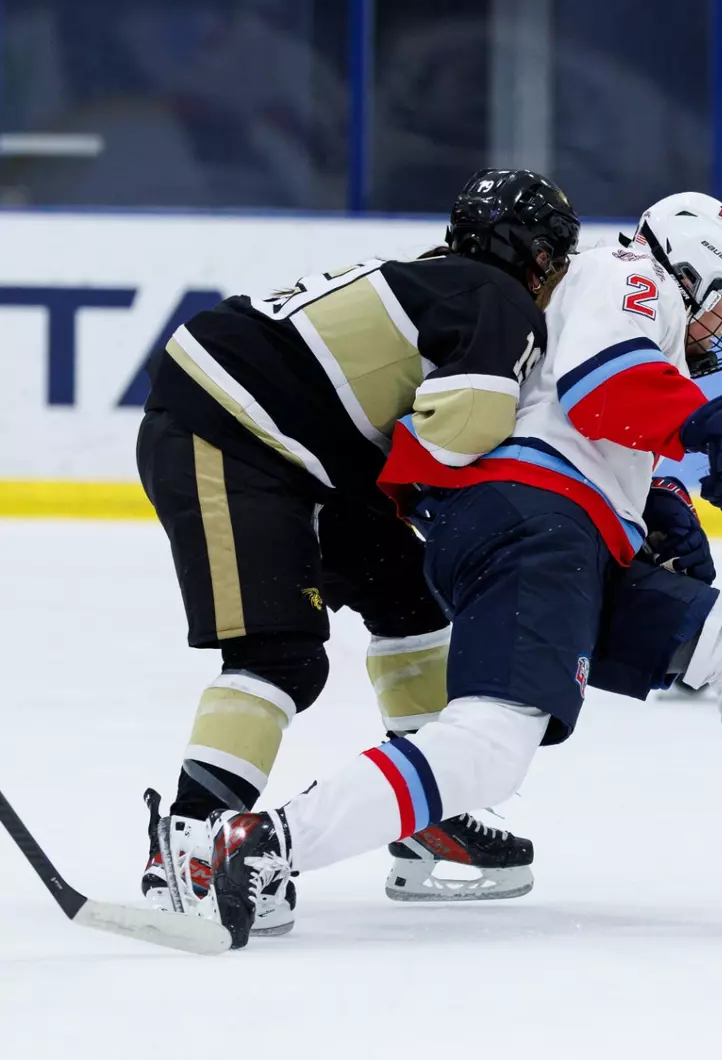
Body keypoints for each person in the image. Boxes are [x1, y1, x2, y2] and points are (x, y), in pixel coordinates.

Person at [206, 192, 722, 949]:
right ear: (690, 270)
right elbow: (600, 382)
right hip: (530, 524)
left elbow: (578, 413)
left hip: (558, 532)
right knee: (490, 745)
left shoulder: (608, 307)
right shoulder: (625, 271)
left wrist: (664, 503)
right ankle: (266, 842)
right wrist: (718, 421)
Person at [136, 169, 574, 934]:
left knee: (412, 602)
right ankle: (196, 835)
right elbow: (464, 424)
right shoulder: (497, 298)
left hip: (297, 446)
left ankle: (424, 812)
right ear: (536, 255)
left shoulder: (446, 278)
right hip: (236, 434)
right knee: (281, 656)